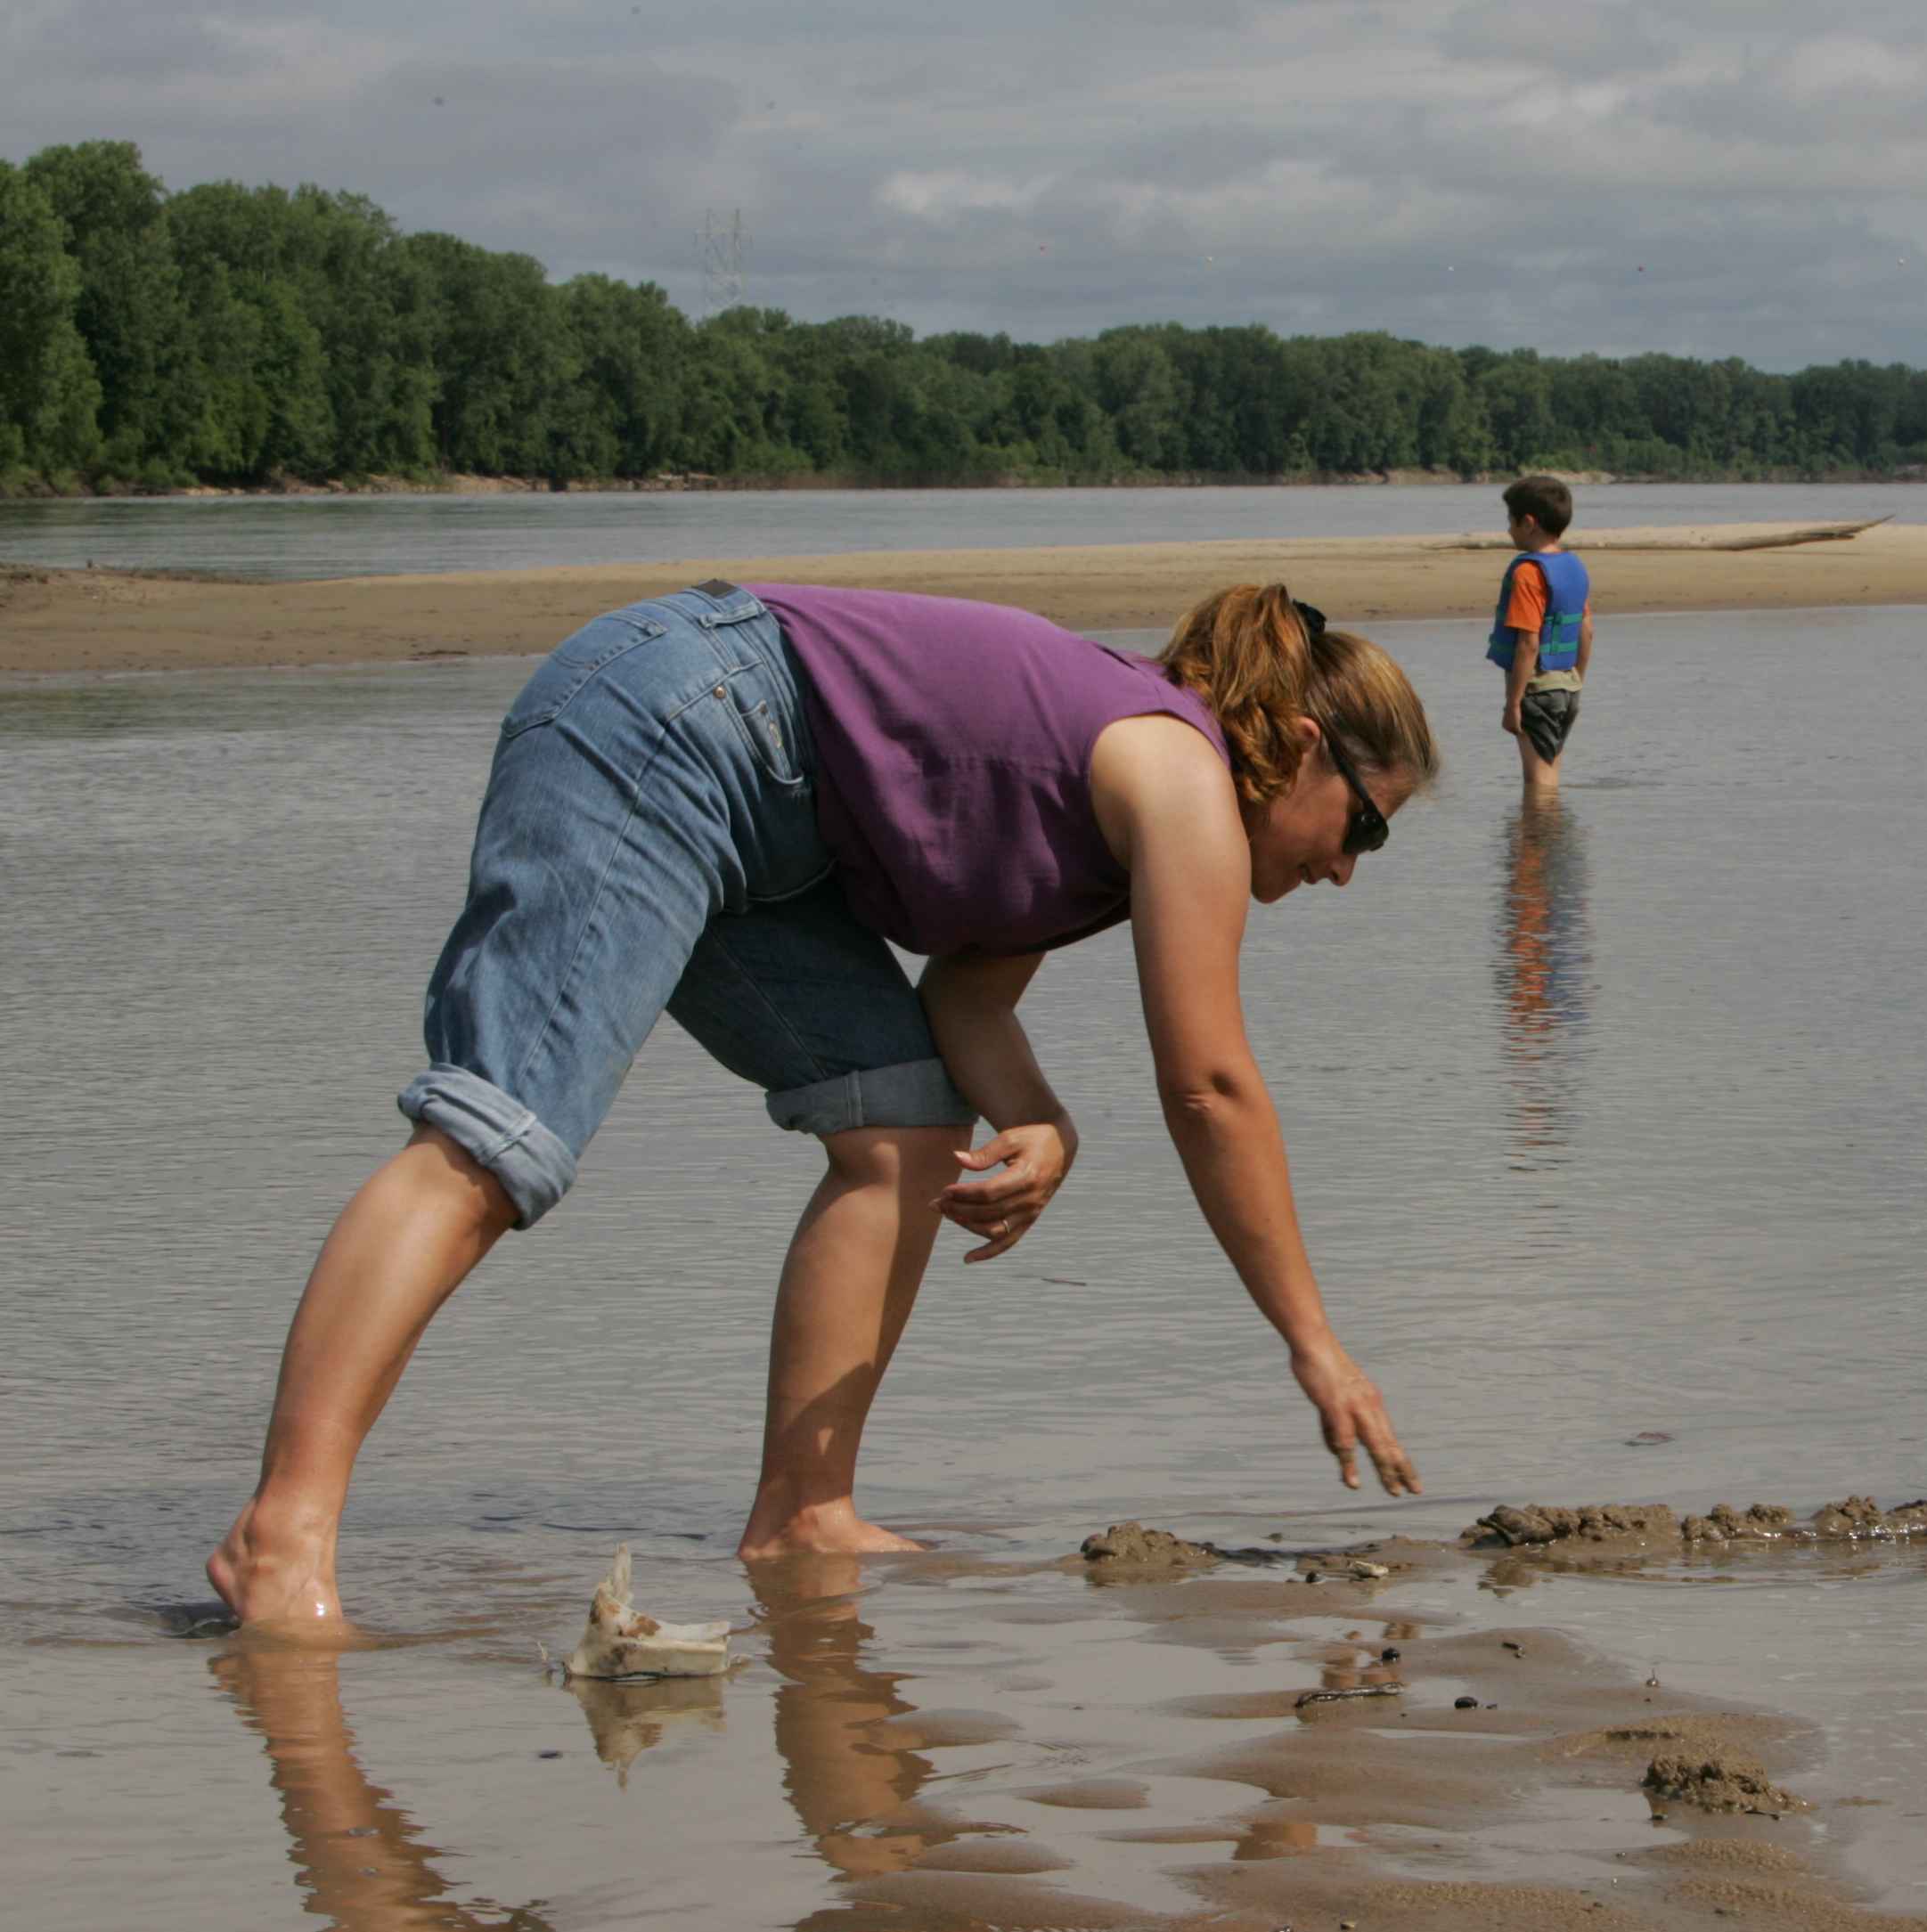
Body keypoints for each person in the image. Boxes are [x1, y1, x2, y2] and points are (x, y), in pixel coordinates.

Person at [208, 579, 1437, 1629]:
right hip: (671, 719)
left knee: (905, 1122)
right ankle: (283, 1537)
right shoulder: (1181, 773)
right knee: (500, 1141)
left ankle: (805, 1513)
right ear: (1294, 738)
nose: (1343, 870)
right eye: (1364, 828)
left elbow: (967, 1001)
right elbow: (1211, 1088)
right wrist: (1314, 1345)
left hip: (765, 829)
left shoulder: (1125, 811)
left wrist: (1043, 1120)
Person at [1487, 475, 1595, 797]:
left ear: (1529, 523)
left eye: (1511, 521)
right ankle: (1551, 844)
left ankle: (1534, 845)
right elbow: (1586, 630)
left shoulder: (1527, 573)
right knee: (1550, 777)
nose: (1508, 529)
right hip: (1567, 687)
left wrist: (1513, 703)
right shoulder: (1573, 566)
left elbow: (1528, 642)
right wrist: (1576, 680)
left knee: (1538, 786)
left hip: (1536, 689)